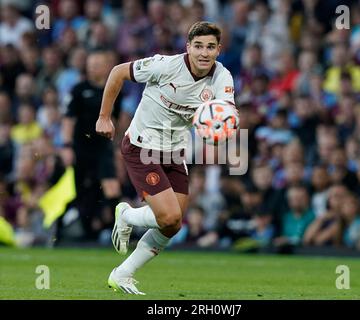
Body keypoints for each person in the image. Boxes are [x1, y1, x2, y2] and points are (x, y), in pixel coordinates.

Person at [95, 21, 235, 294]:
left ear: (219, 50)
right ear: (188, 48)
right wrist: (104, 117)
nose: (204, 53)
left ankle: (122, 273)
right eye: (198, 46)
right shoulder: (165, 66)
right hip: (141, 147)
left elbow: (223, 112)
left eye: (210, 47)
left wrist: (219, 126)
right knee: (169, 217)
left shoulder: (222, 78)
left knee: (172, 225)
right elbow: (117, 72)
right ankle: (126, 215)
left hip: (175, 151)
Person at [62, 50, 122, 241]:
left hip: (103, 147)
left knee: (112, 187)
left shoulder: (114, 90)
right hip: (81, 147)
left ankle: (118, 232)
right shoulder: (79, 89)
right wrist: (66, 146)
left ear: (107, 66)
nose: (93, 66)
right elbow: (69, 118)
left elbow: (117, 120)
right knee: (82, 190)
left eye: (98, 63)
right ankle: (85, 232)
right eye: (91, 63)